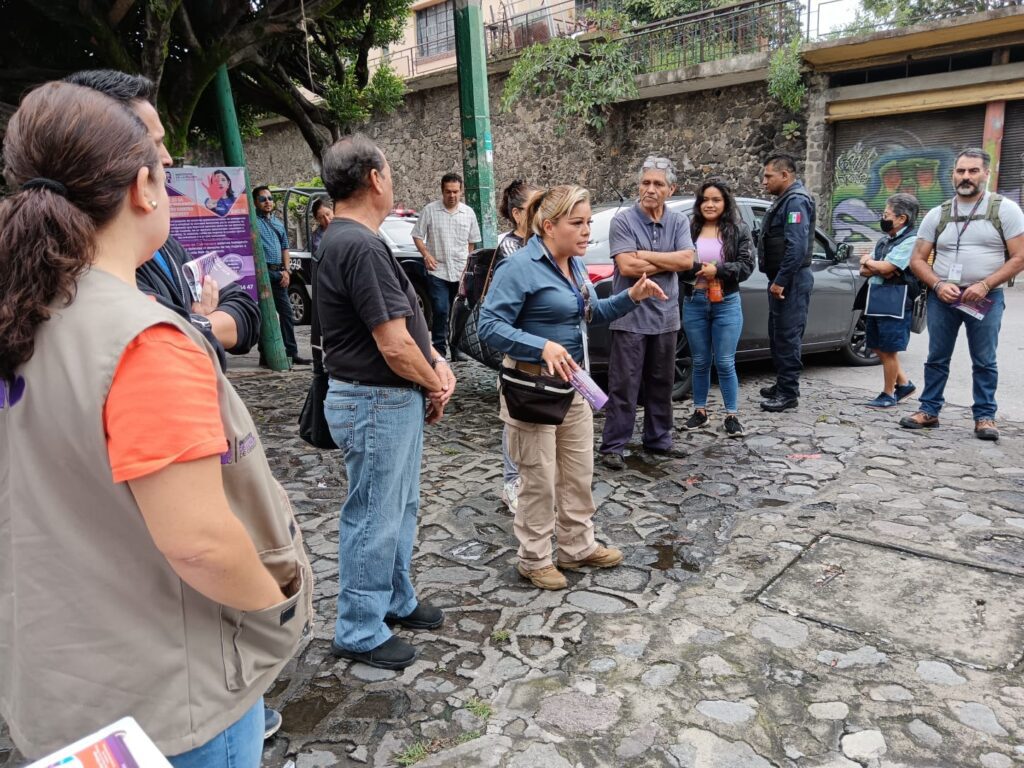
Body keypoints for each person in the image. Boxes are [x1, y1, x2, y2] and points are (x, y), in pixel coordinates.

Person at [0, 81, 311, 767]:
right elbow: (200, 542)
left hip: (57, 693)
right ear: (143, 188)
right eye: (163, 163)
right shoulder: (141, 341)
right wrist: (275, 614)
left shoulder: (24, 320)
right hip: (170, 701)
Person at [478, 185, 668, 591]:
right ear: (549, 226)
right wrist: (540, 345)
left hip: (574, 387)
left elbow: (590, 312)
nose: (587, 232)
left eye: (588, 223)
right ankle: (534, 558)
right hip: (532, 390)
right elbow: (488, 327)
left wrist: (631, 296)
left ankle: (577, 547)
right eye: (577, 223)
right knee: (538, 480)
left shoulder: (573, 265)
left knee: (578, 474)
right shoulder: (520, 267)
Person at [317, 134, 456, 670]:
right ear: (375, 177)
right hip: (376, 401)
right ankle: (358, 627)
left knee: (397, 508)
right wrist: (434, 381)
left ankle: (393, 598)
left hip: (383, 400)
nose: (393, 180)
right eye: (390, 172)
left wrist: (434, 363)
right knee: (375, 515)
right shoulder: (358, 244)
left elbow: (405, 335)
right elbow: (393, 344)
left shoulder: (348, 238)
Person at [63, 69, 260, 369]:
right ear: (142, 185)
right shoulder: (89, 275)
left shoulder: (165, 247)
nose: (167, 158)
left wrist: (194, 325)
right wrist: (194, 326)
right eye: (156, 144)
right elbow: (165, 348)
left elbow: (246, 310)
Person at [900, 148, 1024, 440]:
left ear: (986, 174)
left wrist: (984, 284)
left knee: (984, 360)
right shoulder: (938, 213)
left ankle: (984, 416)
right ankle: (929, 411)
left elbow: (1019, 257)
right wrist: (939, 285)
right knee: (936, 357)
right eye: (960, 171)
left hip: (986, 298)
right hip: (944, 298)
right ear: (953, 174)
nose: (965, 176)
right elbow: (917, 259)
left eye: (973, 171)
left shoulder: (1005, 209)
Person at [598, 156, 695, 469]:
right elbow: (627, 266)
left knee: (661, 383)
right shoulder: (623, 221)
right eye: (645, 182)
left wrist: (646, 256)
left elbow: (687, 262)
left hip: (666, 317)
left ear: (671, 189)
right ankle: (613, 446)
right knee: (623, 385)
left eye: (658, 184)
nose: (650, 189)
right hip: (629, 317)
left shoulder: (679, 221)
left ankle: (659, 440)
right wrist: (669, 259)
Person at [680, 178, 754, 437]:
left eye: (716, 200)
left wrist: (718, 270)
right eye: (705, 200)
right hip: (694, 301)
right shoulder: (688, 229)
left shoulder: (738, 229)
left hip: (726, 302)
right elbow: (677, 264)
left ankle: (731, 415)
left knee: (724, 361)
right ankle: (699, 411)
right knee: (700, 361)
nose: (709, 204)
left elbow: (746, 266)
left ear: (725, 203)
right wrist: (696, 269)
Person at [757, 152, 817, 413]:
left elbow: (797, 247)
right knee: (778, 333)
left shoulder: (796, 202)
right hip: (784, 278)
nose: (764, 181)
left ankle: (788, 392)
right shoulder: (785, 200)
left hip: (791, 280)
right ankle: (782, 383)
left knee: (788, 335)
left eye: (768, 176)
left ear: (785, 175)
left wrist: (781, 281)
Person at [496, 179, 540, 513]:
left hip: (543, 351)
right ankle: (512, 482)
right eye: (534, 206)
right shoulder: (511, 251)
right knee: (514, 417)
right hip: (518, 347)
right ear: (517, 214)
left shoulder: (543, 246)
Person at [857, 193, 920, 409]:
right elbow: (864, 271)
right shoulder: (885, 240)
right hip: (876, 297)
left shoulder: (911, 240)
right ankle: (904, 384)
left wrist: (872, 262)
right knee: (876, 345)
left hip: (896, 299)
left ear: (901, 218)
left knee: (889, 348)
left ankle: (888, 393)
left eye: (886, 214)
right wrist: (874, 264)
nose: (883, 218)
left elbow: (886, 268)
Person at [412, 172, 482, 359]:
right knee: (441, 309)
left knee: (458, 312)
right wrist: (426, 254)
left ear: (461, 192)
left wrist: (467, 264)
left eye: (455, 192)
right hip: (438, 271)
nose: (452, 196)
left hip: (459, 271)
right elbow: (417, 235)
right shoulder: (430, 210)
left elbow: (472, 241)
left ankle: (456, 347)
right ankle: (439, 349)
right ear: (442, 191)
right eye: (448, 192)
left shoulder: (468, 213)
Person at [254, 184, 311, 366]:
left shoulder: (278, 223)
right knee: (264, 315)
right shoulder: (252, 222)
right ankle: (265, 353)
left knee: (286, 313)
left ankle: (291, 352)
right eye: (263, 199)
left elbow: (285, 248)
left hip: (279, 272)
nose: (268, 202)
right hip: (262, 273)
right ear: (255, 202)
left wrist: (287, 271)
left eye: (270, 199)